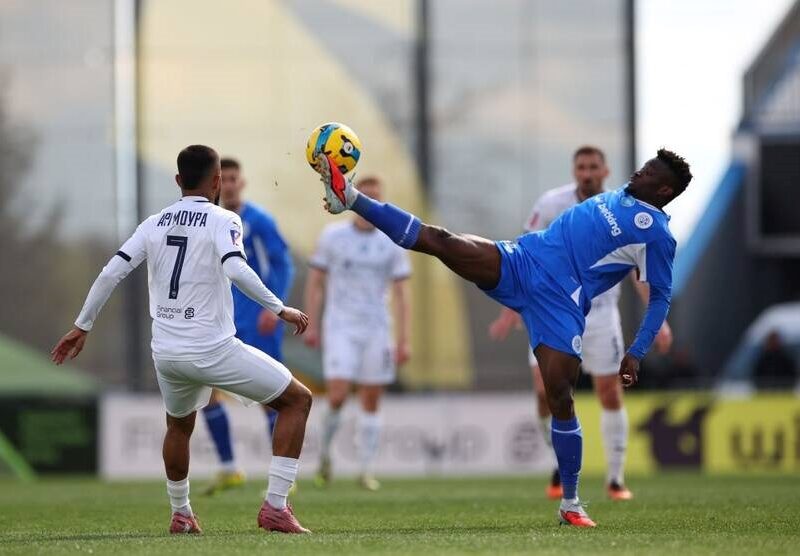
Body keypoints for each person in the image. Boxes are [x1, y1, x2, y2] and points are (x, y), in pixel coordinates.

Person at [312, 147, 691, 527]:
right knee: (444, 241)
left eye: (647, 174)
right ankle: (351, 198)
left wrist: (637, 350)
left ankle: (572, 502)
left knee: (560, 395)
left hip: (560, 303)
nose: (637, 174)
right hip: (521, 261)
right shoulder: (618, 193)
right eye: (641, 168)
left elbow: (660, 297)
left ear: (662, 191)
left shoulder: (657, 235)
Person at [51, 145, 312, 535]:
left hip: (167, 353)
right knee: (297, 400)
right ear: (217, 180)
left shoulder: (153, 223)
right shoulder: (224, 219)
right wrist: (280, 309)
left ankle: (182, 513)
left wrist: (82, 325)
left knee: (179, 427)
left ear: (178, 180)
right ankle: (275, 505)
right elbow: (236, 268)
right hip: (213, 348)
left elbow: (110, 273)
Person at [488, 146, 673, 501]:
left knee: (608, 391)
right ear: (574, 171)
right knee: (545, 395)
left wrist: (658, 321)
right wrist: (510, 309)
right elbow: (524, 253)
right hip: (550, 309)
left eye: (593, 167)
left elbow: (640, 270)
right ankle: (561, 463)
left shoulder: (622, 208)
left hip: (600, 314)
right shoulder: (551, 203)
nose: (586, 173)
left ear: (605, 171)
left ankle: (616, 479)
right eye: (581, 167)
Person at [304, 175, 412, 491]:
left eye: (375, 198)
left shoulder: (392, 240)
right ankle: (324, 456)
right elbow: (315, 281)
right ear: (352, 199)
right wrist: (311, 322)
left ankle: (366, 469)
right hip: (340, 326)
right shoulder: (333, 236)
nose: (368, 203)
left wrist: (404, 339)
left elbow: (403, 293)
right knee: (337, 395)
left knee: (371, 399)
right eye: (364, 196)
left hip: (377, 328)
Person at [201, 157, 295, 495]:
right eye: (221, 179)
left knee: (272, 396)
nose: (227, 184)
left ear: (242, 182)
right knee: (206, 394)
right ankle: (228, 468)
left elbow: (284, 266)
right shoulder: (210, 221)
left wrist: (276, 306)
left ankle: (282, 476)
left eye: (232, 178)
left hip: (258, 320)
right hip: (219, 322)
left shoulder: (258, 221)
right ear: (215, 183)